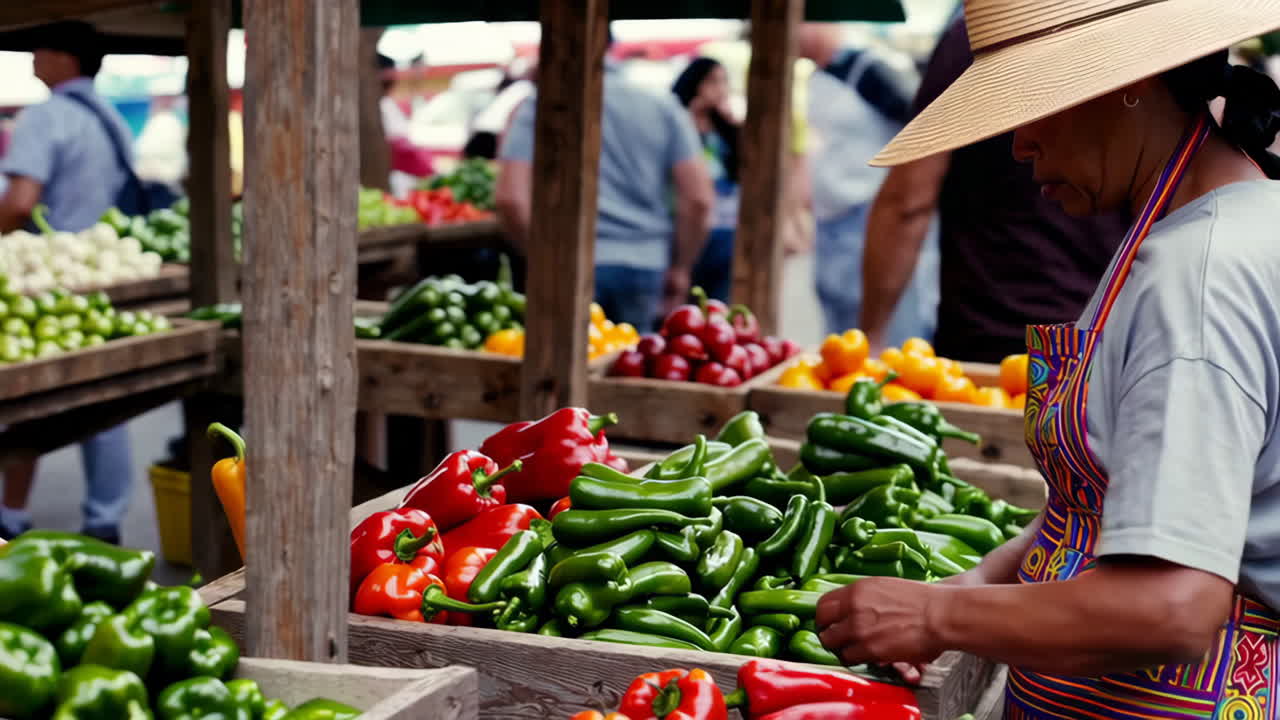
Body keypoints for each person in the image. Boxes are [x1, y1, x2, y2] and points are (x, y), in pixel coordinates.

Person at [817, 0, 1280, 711]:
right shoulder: (1215, 224)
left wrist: (936, 616)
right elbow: (1113, 499)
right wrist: (974, 586)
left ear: (1130, 84)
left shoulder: (1198, 274)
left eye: (1036, 103)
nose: (1018, 143)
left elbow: (1174, 607)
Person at [858, 15, 1128, 361]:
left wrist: (870, 333)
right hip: (1098, 335)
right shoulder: (1128, 28)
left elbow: (908, 200)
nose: (1023, 148)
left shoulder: (980, 32)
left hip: (987, 336)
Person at [0, 22, 137, 543]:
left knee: (24, 404)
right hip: (111, 274)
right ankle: (105, 520)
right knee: (110, 399)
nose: (33, 56)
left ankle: (9, 517)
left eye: (40, 47)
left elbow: (18, 205)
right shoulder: (113, 118)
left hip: (46, 284)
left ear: (64, 59)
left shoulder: (46, 117)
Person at [496, 30, 714, 330]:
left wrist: (545, 258)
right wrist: (681, 267)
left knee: (561, 370)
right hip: (644, 263)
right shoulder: (661, 105)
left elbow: (510, 198)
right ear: (612, 47)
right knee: (631, 366)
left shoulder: (540, 105)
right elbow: (699, 199)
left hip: (568, 265)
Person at [797, 24, 938, 343]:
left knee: (886, 335)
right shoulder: (819, 77)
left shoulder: (868, 69)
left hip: (870, 217)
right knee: (841, 333)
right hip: (831, 223)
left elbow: (921, 127)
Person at [672, 57, 739, 303]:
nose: (720, 88)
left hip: (726, 229)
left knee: (718, 305)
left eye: (723, 81)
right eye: (712, 81)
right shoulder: (679, 124)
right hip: (690, 227)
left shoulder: (725, 129)